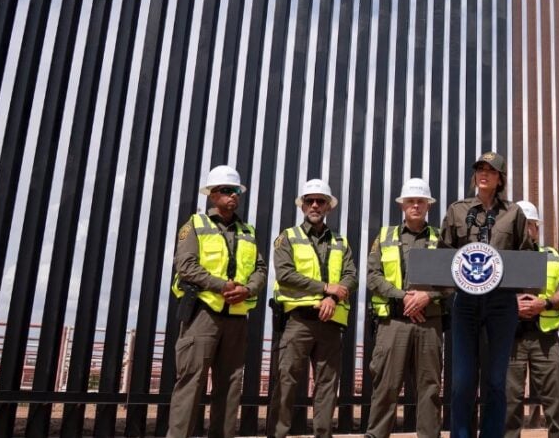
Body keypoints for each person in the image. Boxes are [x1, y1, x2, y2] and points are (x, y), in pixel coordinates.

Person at [168, 165, 267, 438]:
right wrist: (221, 285)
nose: (232, 196)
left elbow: (260, 270)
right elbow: (185, 266)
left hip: (236, 318)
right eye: (225, 191)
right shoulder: (195, 226)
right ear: (212, 195)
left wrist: (247, 289)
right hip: (203, 315)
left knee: (231, 385)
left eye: (235, 191)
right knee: (191, 382)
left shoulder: (248, 231)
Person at [439, 151, 531, 438]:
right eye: (480, 168)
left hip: (501, 304)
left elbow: (526, 256)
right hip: (465, 302)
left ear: (500, 178)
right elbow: (444, 255)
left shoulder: (514, 213)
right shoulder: (457, 210)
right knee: (462, 381)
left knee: (495, 381)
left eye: (491, 170)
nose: (484, 173)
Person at [269, 178, 359, 438]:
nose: (316, 205)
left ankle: (323, 434)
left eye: (321, 201)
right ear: (303, 205)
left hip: (330, 322)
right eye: (310, 200)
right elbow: (285, 274)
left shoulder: (341, 242)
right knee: (286, 382)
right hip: (299, 322)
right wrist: (325, 288)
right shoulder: (288, 237)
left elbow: (350, 276)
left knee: (327, 386)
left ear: (329, 206)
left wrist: (332, 298)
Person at [365, 177, 446, 438]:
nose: (415, 205)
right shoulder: (385, 236)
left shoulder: (441, 239)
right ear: (402, 205)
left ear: (428, 206)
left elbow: (453, 279)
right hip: (394, 323)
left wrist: (428, 296)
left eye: (420, 201)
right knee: (386, 386)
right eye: (410, 201)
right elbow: (373, 276)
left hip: (429, 323)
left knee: (429, 388)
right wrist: (404, 297)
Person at [505, 201, 559, 438]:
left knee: (556, 399)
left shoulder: (552, 256)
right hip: (510, 339)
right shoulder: (499, 257)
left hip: (544, 338)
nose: (526, 230)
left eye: (530, 225)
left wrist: (543, 304)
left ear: (537, 229)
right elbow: (486, 293)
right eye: (520, 225)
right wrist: (510, 305)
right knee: (508, 402)